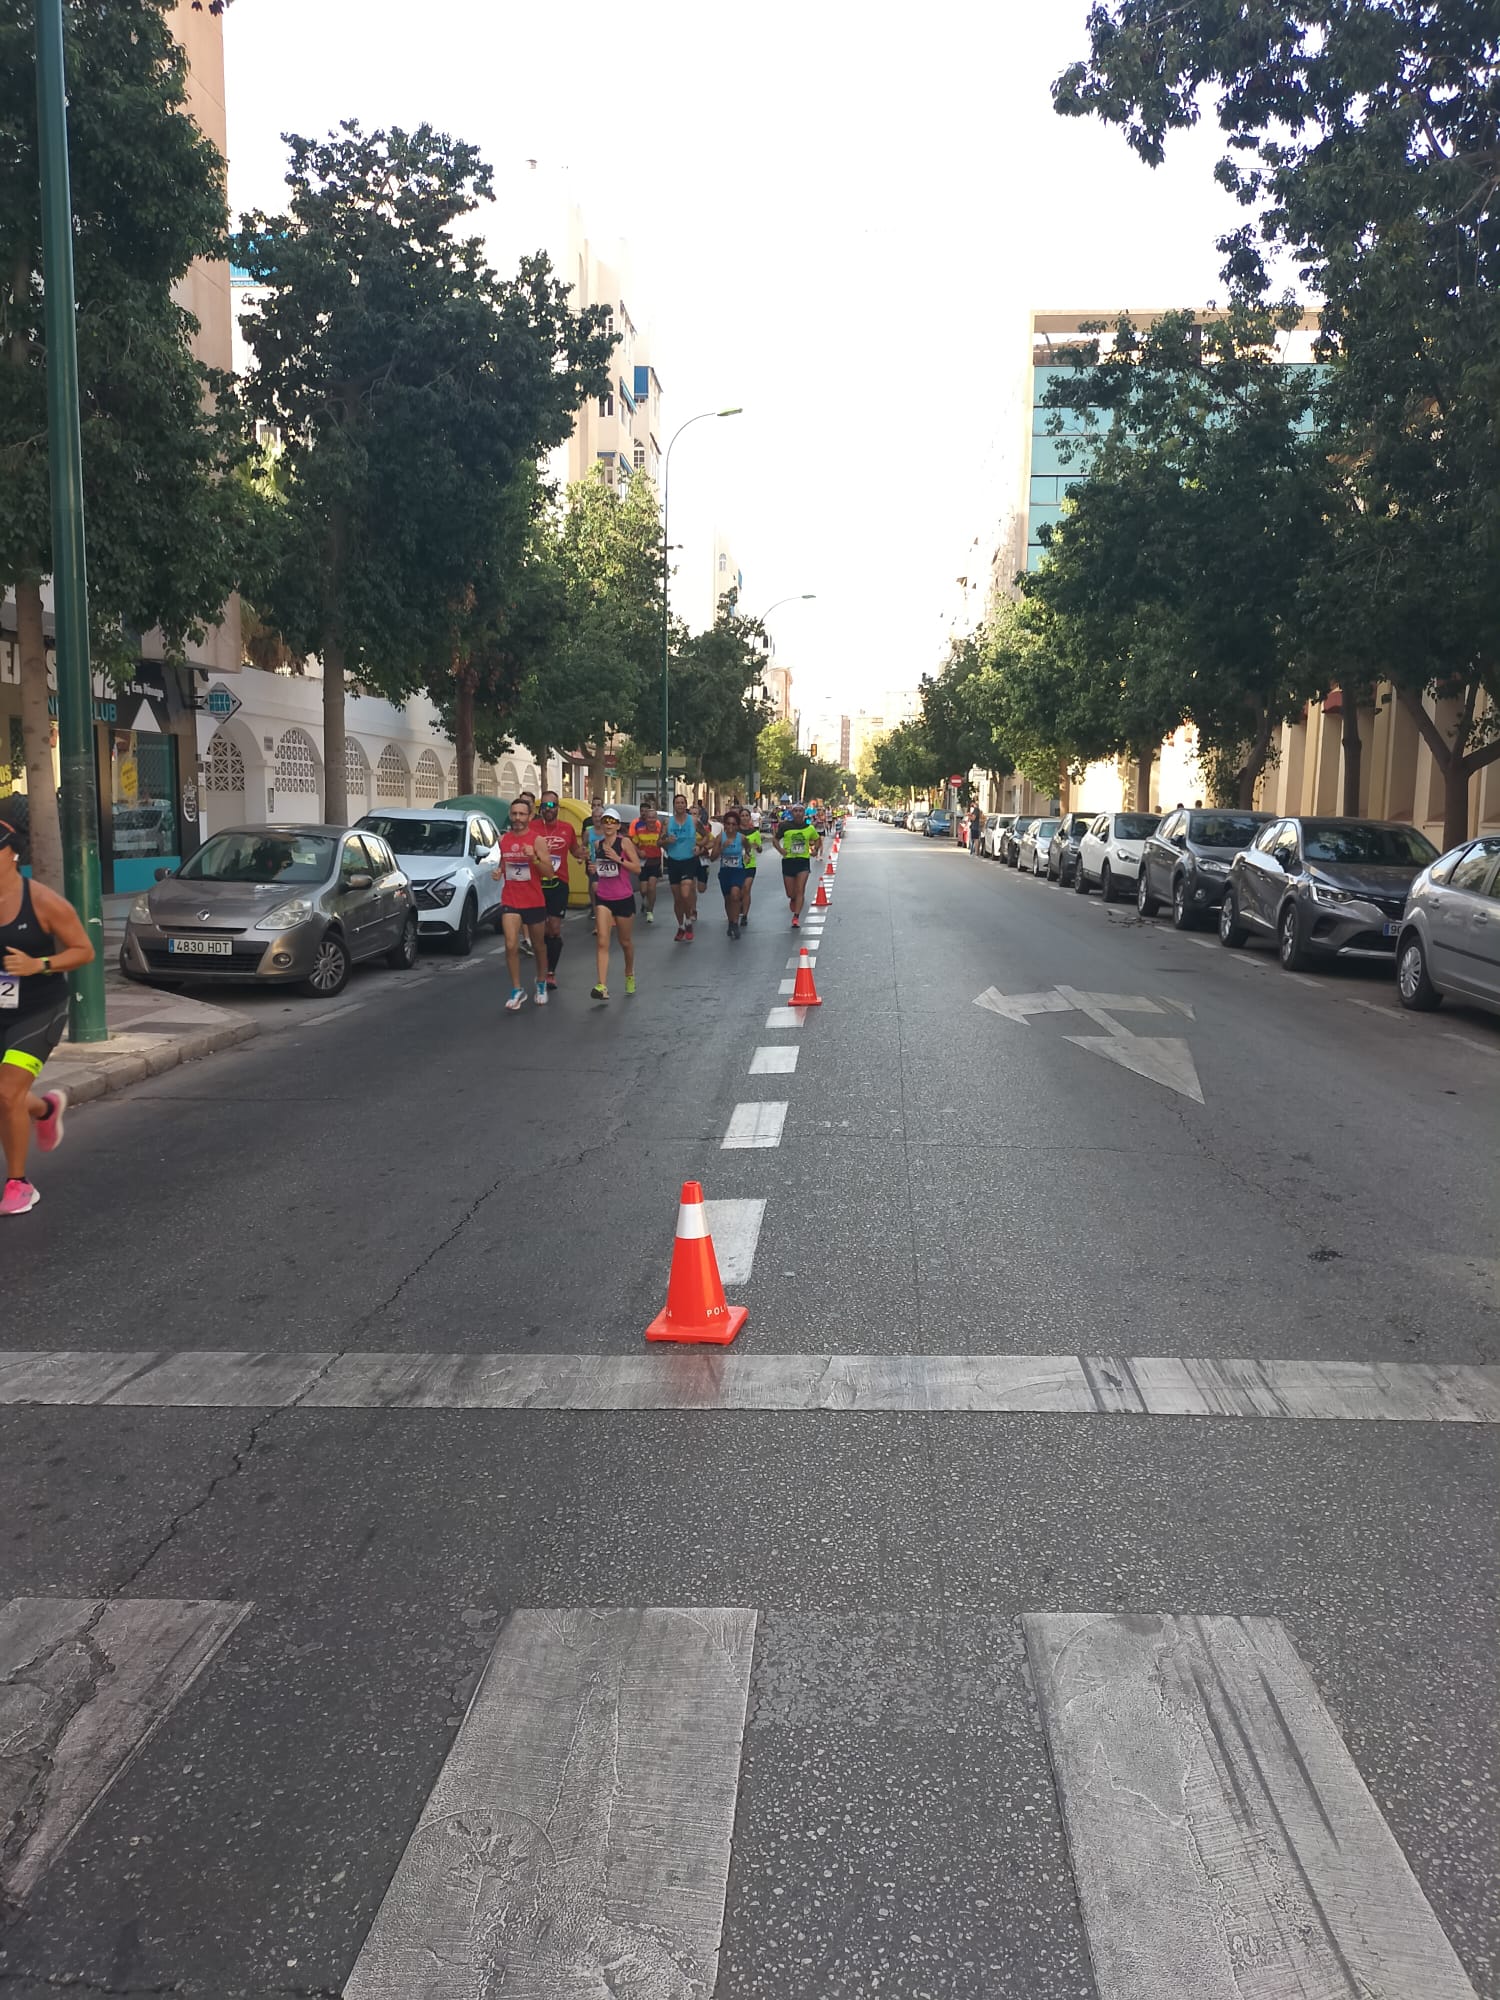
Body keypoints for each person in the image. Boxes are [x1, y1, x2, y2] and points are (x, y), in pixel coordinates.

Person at [0, 815, 94, 1216]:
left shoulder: (40, 900)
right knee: (9, 1096)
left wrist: (38, 965)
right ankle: (45, 1110)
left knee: (6, 1093)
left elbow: (83, 951)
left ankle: (19, 1184)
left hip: (39, 1007)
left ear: (12, 853)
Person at [491, 797, 555, 1011]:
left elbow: (549, 873)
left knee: (538, 946)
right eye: (514, 814)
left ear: (529, 816)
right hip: (510, 899)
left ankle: (540, 981)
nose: (517, 818)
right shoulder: (504, 839)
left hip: (534, 900)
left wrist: (534, 858)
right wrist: (499, 871)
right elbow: (504, 863)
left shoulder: (537, 840)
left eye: (521, 814)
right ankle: (517, 989)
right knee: (510, 945)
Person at [588, 807, 640, 1000]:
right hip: (604, 897)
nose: (608, 825)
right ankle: (602, 985)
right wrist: (594, 868)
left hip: (623, 898)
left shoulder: (624, 842)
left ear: (618, 825)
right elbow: (599, 869)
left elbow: (636, 868)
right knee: (602, 941)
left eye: (612, 822)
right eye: (605, 821)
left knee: (625, 942)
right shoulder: (597, 844)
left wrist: (618, 859)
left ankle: (629, 973)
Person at [531, 790, 581, 990]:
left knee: (554, 928)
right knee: (540, 930)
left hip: (559, 884)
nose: (547, 809)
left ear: (557, 808)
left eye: (551, 806)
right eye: (543, 806)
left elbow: (575, 850)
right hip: (537, 884)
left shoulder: (567, 829)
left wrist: (582, 854)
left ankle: (550, 972)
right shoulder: (532, 828)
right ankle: (542, 968)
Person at [774, 800, 822, 929]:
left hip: (803, 862)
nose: (798, 813)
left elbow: (817, 839)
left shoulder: (809, 828)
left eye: (800, 811)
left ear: (804, 813)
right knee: (790, 893)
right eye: (796, 811)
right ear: (792, 812)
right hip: (788, 861)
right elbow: (775, 839)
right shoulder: (785, 826)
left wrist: (815, 850)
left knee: (800, 889)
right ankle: (793, 899)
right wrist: (780, 850)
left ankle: (796, 917)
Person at [662, 793, 700, 940]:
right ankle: (681, 926)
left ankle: (689, 920)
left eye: (682, 802)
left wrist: (700, 848)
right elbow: (660, 841)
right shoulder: (667, 822)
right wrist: (667, 841)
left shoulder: (694, 821)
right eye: (677, 802)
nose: (680, 805)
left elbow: (708, 838)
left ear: (686, 805)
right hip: (673, 861)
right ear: (674, 805)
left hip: (689, 860)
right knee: (677, 898)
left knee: (685, 894)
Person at [713, 808, 750, 939]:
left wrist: (747, 855)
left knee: (735, 895)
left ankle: (735, 923)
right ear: (724, 824)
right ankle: (731, 921)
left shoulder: (742, 838)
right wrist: (722, 847)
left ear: (737, 826)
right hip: (725, 872)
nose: (730, 827)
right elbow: (712, 857)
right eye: (728, 824)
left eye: (733, 824)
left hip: (738, 871)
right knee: (728, 899)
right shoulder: (720, 838)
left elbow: (748, 847)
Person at [630, 795, 664, 923]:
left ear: (656, 819)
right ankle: (645, 901)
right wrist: (639, 851)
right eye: (649, 817)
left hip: (655, 862)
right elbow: (633, 843)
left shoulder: (659, 829)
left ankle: (650, 911)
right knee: (643, 889)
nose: (651, 820)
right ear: (646, 818)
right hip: (643, 863)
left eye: (653, 817)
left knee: (652, 887)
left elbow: (664, 842)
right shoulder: (639, 828)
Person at [741, 811, 764, 925]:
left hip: (750, 864)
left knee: (746, 889)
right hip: (736, 864)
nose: (744, 818)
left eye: (746, 816)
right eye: (742, 816)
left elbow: (760, 850)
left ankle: (744, 915)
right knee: (737, 891)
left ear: (750, 818)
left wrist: (757, 846)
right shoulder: (734, 832)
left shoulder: (755, 833)